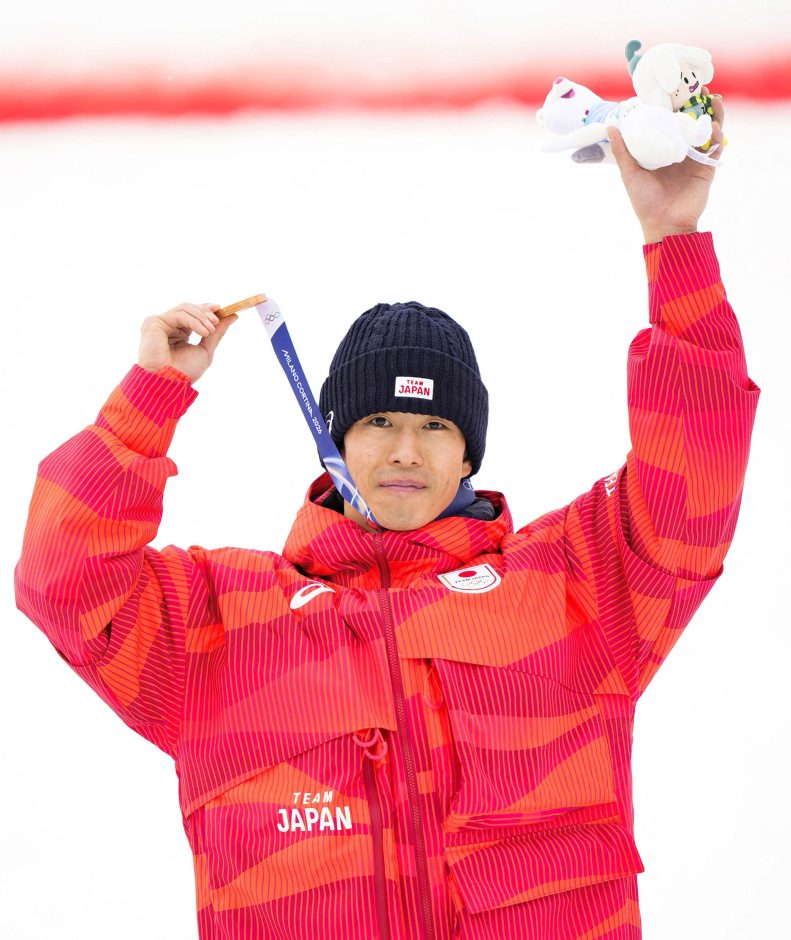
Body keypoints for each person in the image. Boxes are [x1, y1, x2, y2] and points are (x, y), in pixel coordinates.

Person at [15, 102, 759, 939]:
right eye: (378, 422)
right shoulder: (215, 624)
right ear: (333, 438)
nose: (406, 451)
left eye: (435, 426)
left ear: (468, 454)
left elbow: (695, 467)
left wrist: (673, 241)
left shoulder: (577, 588)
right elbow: (62, 579)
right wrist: (147, 401)